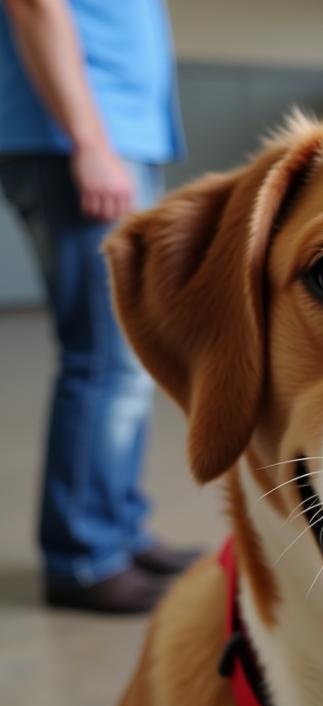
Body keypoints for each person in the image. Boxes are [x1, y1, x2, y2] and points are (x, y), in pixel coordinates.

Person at [0, 0, 196, 612]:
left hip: (113, 132)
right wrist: (88, 140)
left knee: (126, 356)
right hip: (79, 134)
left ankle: (118, 527)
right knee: (103, 357)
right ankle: (82, 557)